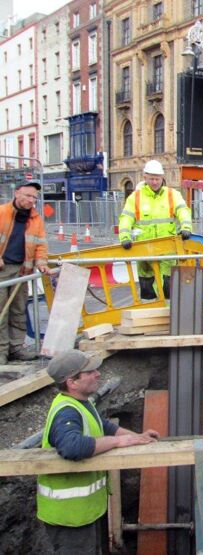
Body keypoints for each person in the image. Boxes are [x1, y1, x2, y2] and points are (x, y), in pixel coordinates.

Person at [37, 349, 159, 554]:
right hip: (70, 518)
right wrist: (118, 442)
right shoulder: (66, 411)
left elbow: (103, 426)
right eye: (90, 371)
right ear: (72, 382)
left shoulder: (81, 404)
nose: (98, 374)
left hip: (85, 512)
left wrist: (137, 437)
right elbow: (71, 446)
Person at [118, 160, 192, 300]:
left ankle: (169, 317)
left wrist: (186, 227)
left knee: (168, 286)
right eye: (151, 178)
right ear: (145, 177)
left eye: (157, 178)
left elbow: (183, 211)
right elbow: (126, 218)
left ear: (162, 178)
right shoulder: (136, 197)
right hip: (144, 251)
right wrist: (125, 237)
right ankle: (149, 317)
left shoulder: (172, 195)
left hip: (167, 250)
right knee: (147, 287)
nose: (154, 182)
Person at [0, 180, 49, 364]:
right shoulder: (2, 212)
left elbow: (41, 245)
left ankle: (16, 348)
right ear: (17, 193)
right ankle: (2, 351)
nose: (31, 200)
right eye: (28, 196)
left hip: (22, 270)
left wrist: (42, 263)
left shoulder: (35, 220)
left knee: (19, 310)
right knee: (1, 312)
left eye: (34, 198)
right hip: (3, 270)